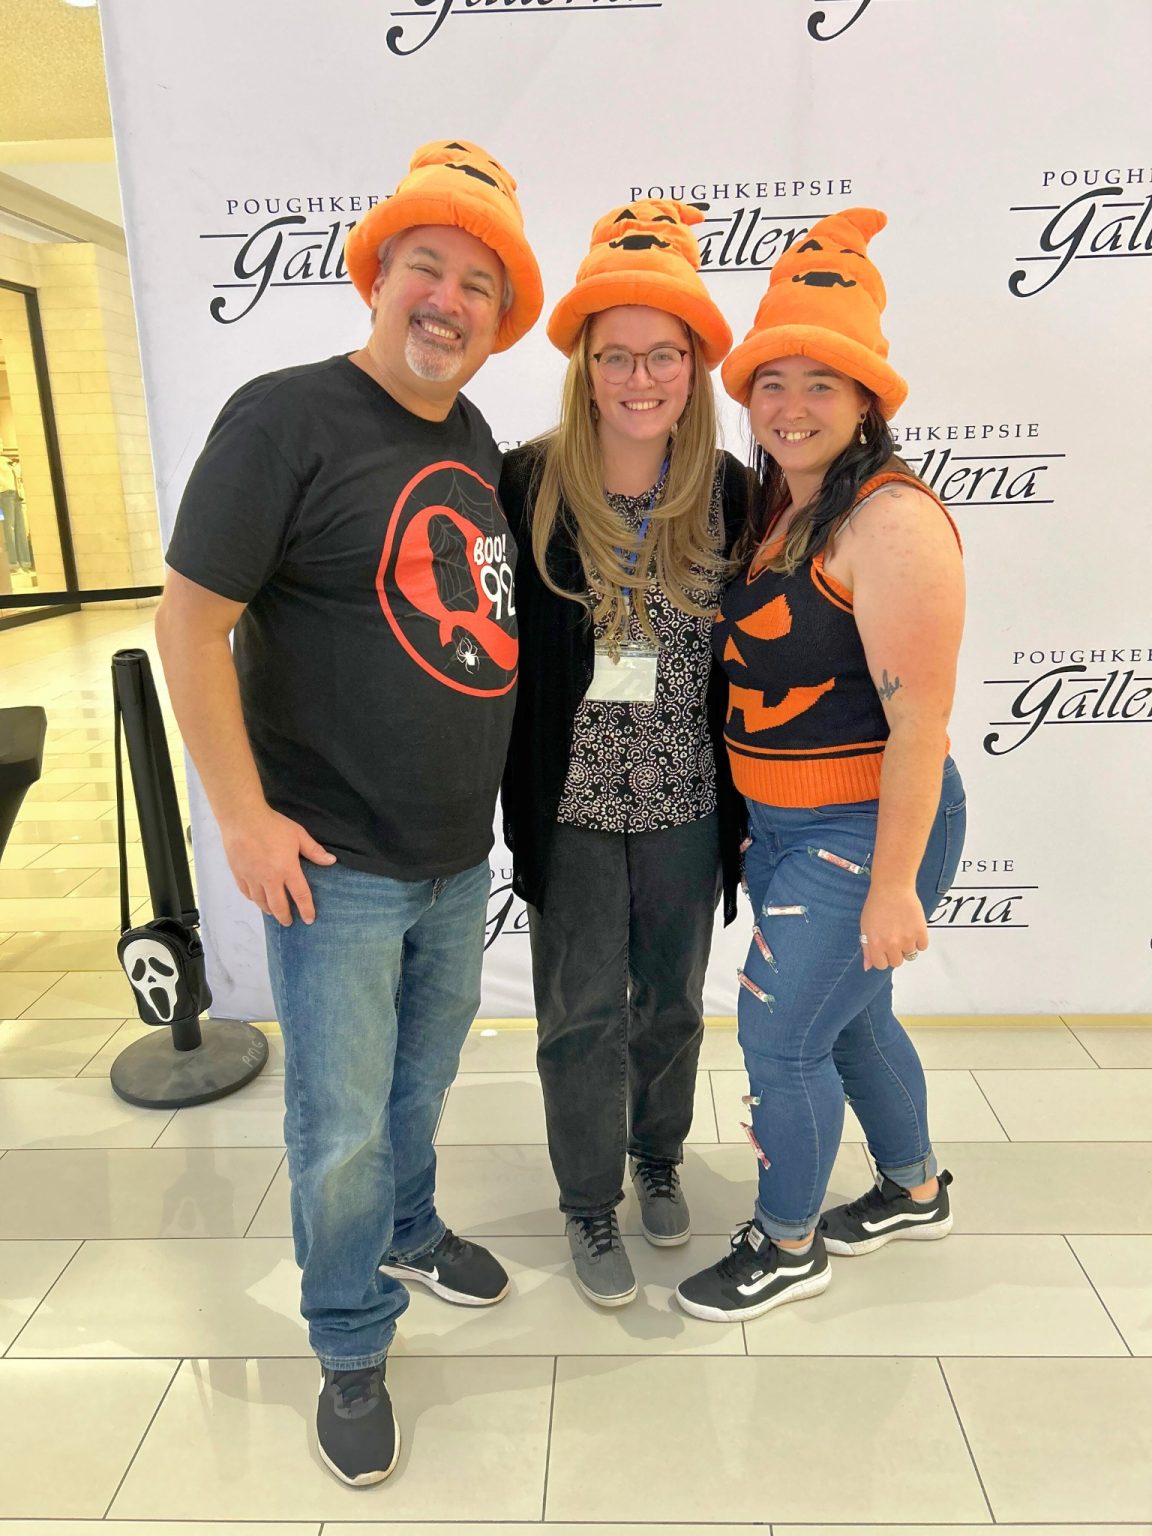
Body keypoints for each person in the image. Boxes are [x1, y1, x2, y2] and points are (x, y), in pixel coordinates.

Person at [155, 139, 542, 1484]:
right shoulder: (284, 419)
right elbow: (187, 626)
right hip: (336, 863)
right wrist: (243, 817)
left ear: (500, 320)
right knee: (340, 1125)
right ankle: (348, 1334)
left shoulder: (472, 434)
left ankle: (409, 1229)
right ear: (376, 275)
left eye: (479, 285)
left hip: (453, 854)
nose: (449, 300)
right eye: (427, 267)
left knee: (418, 1086)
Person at [674, 208, 967, 1323]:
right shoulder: (783, 509)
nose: (790, 405)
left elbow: (920, 727)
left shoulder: (890, 522)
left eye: (821, 384)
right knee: (852, 1021)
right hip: (788, 828)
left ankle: (789, 1242)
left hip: (864, 830)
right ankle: (914, 1189)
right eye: (772, 382)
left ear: (865, 402)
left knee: (781, 1036)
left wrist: (893, 885)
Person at [499, 200, 749, 1307]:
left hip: (688, 801)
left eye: (664, 356)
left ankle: (658, 1153)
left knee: (675, 1005)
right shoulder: (526, 482)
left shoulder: (730, 490)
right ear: (584, 367)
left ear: (693, 368)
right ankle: (587, 1198)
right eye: (616, 356)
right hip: (573, 806)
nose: (640, 378)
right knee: (580, 1016)